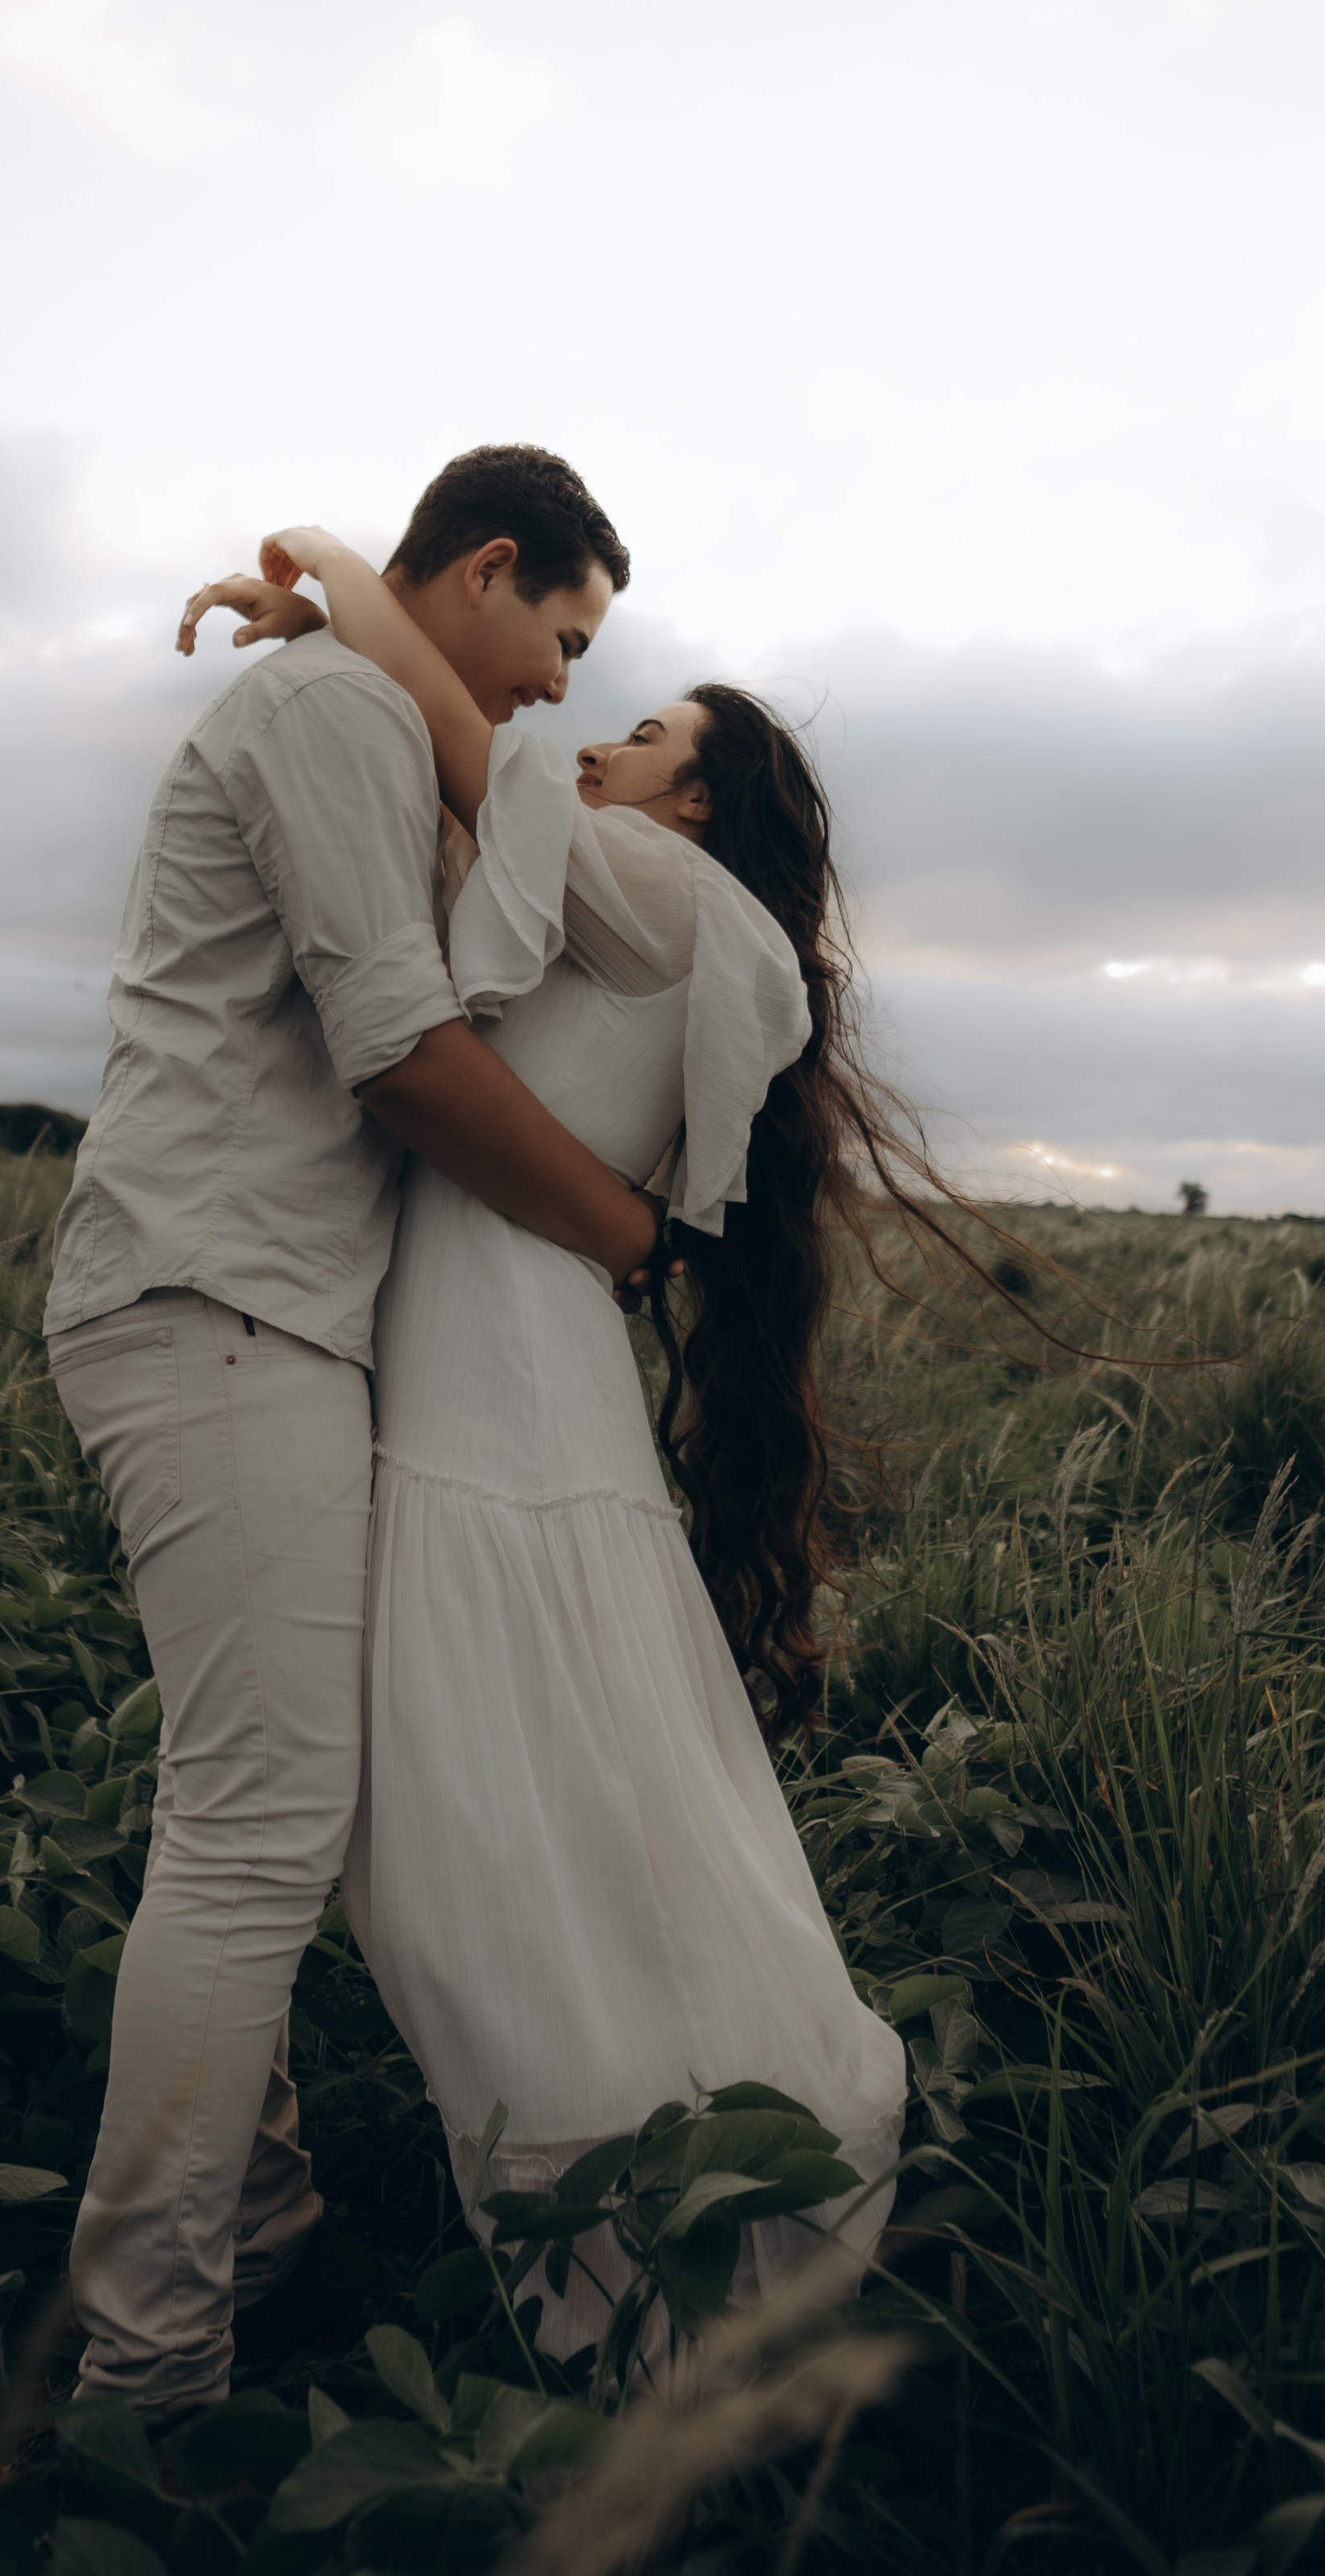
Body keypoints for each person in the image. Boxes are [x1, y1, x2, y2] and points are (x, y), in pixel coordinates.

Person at [185, 523, 911, 2362]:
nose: (589, 735)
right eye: (593, 693)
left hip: (492, 1376)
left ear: (708, 803)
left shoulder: (668, 904)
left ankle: (641, 2212)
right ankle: (634, 2187)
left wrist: (324, 562)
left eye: (644, 727)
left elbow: (442, 695)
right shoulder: (606, 893)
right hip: (494, 1364)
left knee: (492, 1825)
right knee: (539, 1800)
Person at [44, 447, 666, 2423]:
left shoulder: (356, 692)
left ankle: (261, 2233)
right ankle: (150, 2369)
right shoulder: (329, 709)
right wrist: (620, 1230)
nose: (567, 682)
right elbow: (396, 1045)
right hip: (220, 1302)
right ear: (487, 567)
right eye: (563, 635)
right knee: (251, 1840)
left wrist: (330, 596)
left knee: (252, 1823)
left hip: (251, 1310)